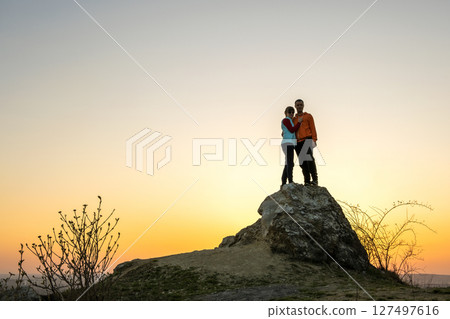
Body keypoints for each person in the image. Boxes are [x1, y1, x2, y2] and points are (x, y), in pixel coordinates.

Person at [293, 99, 318, 186]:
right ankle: (307, 181)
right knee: (302, 162)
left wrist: (314, 140)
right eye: (298, 105)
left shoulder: (308, 116)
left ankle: (315, 179)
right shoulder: (294, 119)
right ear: (295, 106)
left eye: (301, 105)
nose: (299, 106)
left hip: (307, 139)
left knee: (309, 159)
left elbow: (313, 128)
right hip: (297, 143)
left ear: (303, 106)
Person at [281, 106, 301, 187]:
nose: (291, 114)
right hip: (287, 143)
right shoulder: (286, 120)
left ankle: (283, 182)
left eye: (293, 112)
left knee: (288, 162)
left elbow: (287, 131)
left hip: (290, 143)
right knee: (290, 162)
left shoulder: (290, 121)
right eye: (289, 112)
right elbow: (292, 130)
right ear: (286, 113)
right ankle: (290, 181)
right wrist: (299, 122)